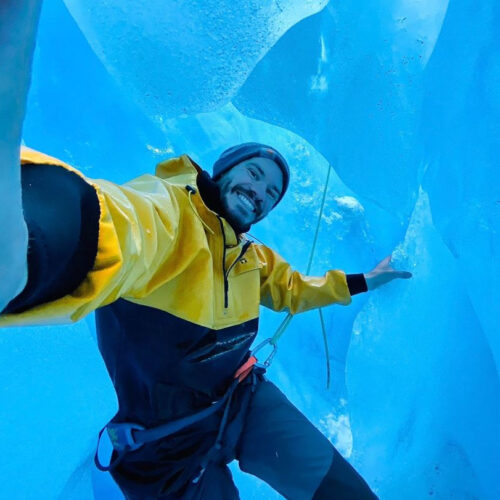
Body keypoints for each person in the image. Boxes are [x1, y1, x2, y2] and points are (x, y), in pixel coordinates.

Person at [0, 3, 412, 499]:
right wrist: (41, 233)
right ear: (225, 169)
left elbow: (297, 291)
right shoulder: (173, 214)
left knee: (346, 494)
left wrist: (367, 279)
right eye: (255, 175)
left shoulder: (253, 259)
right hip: (164, 444)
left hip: (244, 401)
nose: (259, 193)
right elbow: (120, 225)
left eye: (270, 195)